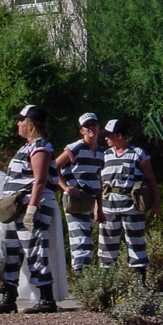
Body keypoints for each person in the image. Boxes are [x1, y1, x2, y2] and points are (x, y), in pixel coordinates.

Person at [0, 104, 61, 314]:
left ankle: (47, 299)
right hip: (16, 210)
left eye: (21, 120)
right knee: (12, 253)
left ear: (31, 124)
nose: (18, 124)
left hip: (30, 208)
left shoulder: (41, 147)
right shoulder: (27, 146)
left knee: (35, 251)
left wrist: (32, 209)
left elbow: (40, 181)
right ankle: (9, 298)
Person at [98, 119, 161, 282]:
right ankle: (107, 283)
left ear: (119, 136)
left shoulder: (138, 153)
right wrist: (96, 207)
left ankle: (140, 283)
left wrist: (156, 203)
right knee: (107, 245)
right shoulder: (104, 155)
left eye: (109, 135)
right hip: (108, 206)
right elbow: (98, 183)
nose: (106, 139)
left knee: (136, 242)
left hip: (132, 206)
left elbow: (150, 177)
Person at [55, 112, 105, 276]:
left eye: (94, 124)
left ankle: (84, 272)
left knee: (87, 236)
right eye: (87, 126)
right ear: (82, 130)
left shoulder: (99, 151)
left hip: (89, 199)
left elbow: (98, 178)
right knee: (80, 237)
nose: (91, 128)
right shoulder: (75, 147)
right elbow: (54, 166)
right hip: (75, 198)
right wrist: (66, 187)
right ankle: (80, 273)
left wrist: (99, 205)